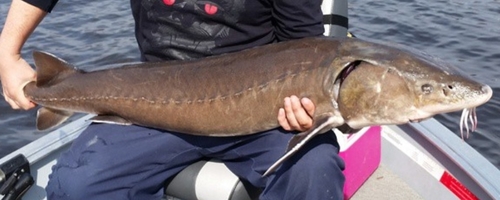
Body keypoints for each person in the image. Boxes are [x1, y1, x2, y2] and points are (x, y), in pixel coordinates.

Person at [0, 0, 346, 199]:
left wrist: (306, 108)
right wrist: (6, 52)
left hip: (261, 108)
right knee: (77, 186)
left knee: (313, 171)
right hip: (154, 104)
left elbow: (306, 50)